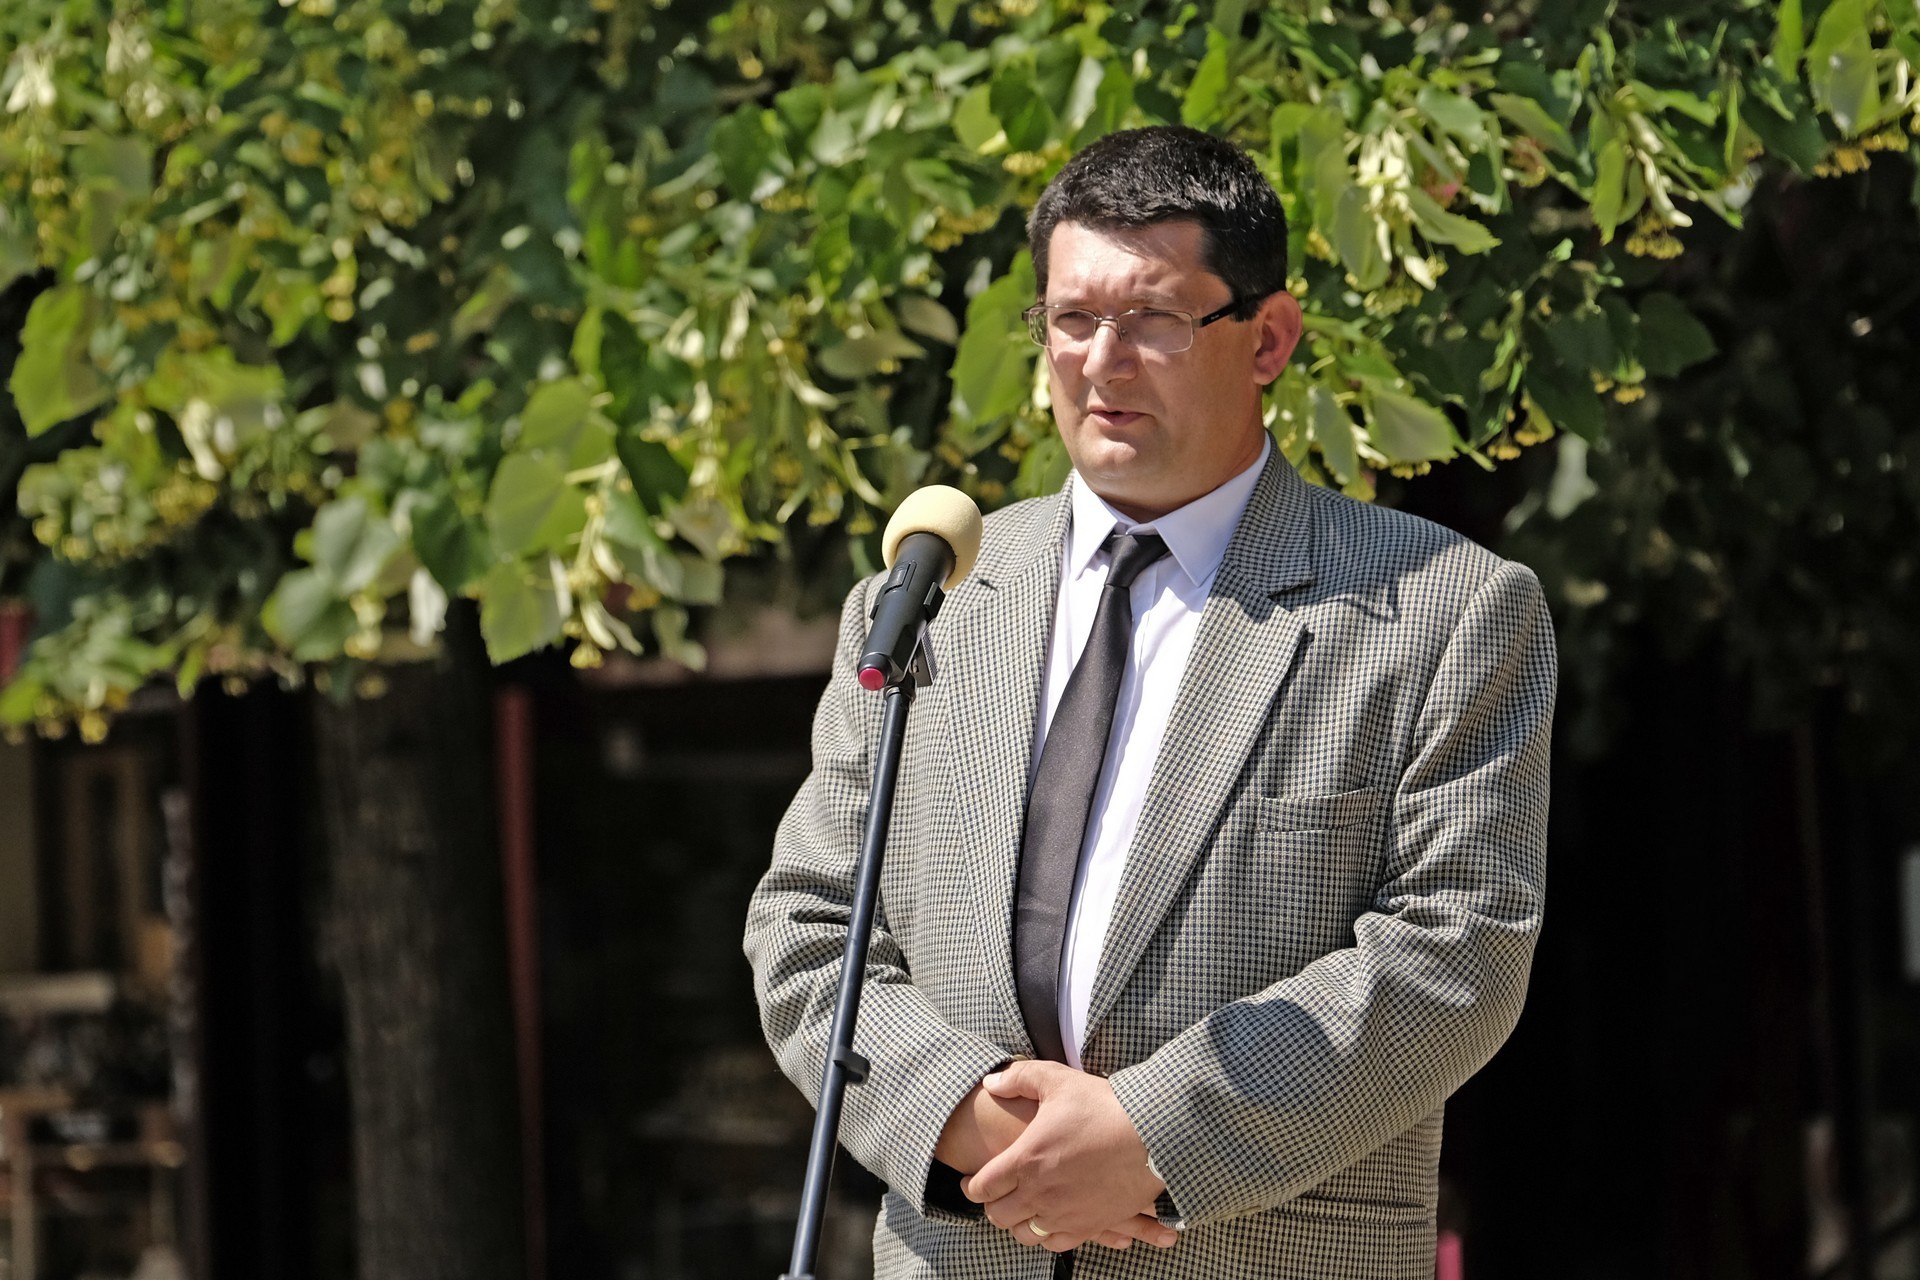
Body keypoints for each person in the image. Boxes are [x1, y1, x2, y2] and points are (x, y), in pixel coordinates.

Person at [744, 125, 1555, 1279]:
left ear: (1268, 338)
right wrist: (965, 1116)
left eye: (1155, 319)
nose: (1102, 362)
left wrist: (1150, 1137)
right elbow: (812, 922)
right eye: (1072, 318)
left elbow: (1456, 950)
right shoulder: (929, 597)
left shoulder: (1442, 608)